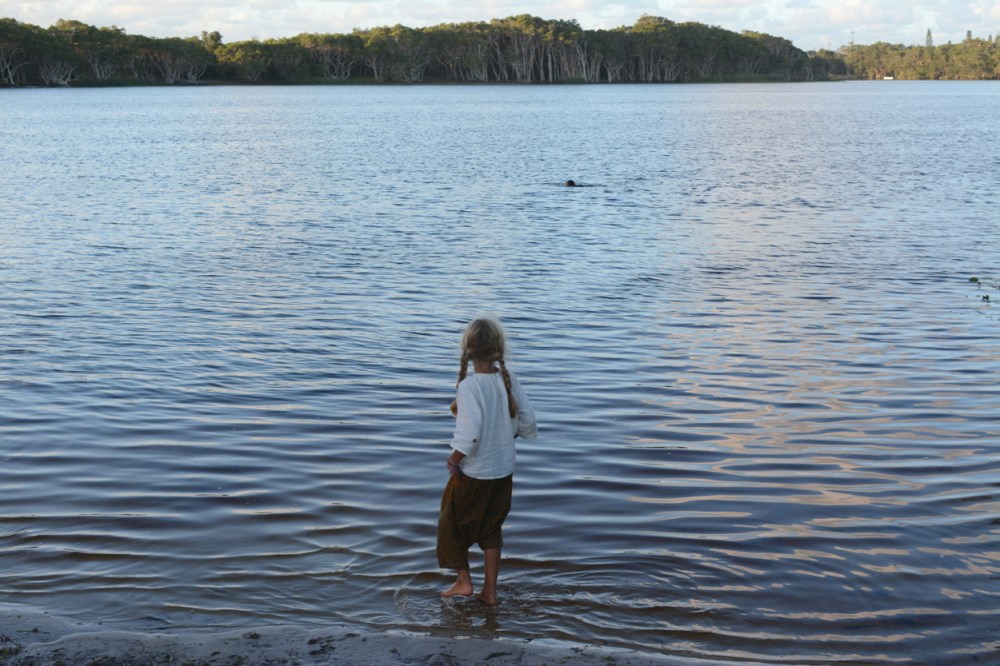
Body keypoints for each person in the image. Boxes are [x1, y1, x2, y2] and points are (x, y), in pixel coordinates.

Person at [437, 318, 537, 606]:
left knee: (450, 524)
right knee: (492, 528)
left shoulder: (470, 386)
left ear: (467, 351)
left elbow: (470, 434)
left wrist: (454, 458)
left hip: (475, 473)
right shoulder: (509, 380)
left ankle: (463, 581)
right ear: (498, 349)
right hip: (503, 471)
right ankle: (490, 592)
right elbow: (528, 421)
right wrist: (508, 434)